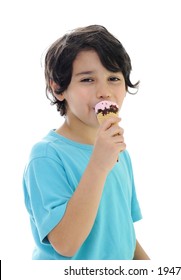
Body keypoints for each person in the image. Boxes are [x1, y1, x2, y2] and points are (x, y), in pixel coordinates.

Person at [23, 25, 150, 260]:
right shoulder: (46, 156)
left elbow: (123, 233)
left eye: (113, 78)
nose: (104, 92)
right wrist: (99, 165)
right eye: (88, 79)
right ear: (58, 88)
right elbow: (66, 244)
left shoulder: (119, 152)